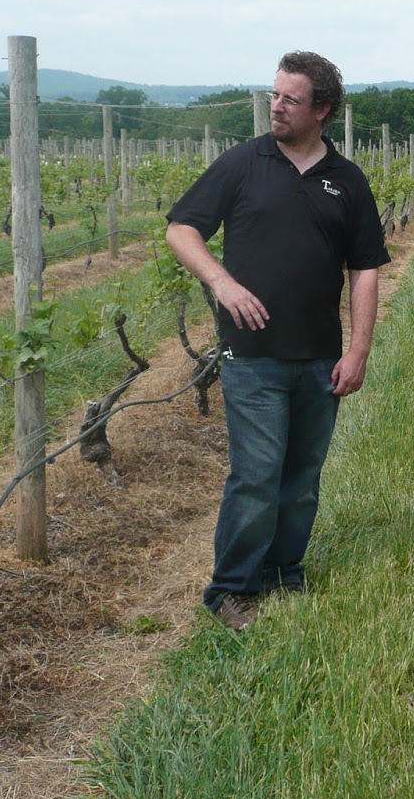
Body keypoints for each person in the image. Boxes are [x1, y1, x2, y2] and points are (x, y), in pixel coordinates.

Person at [164, 51, 389, 629]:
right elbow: (181, 228)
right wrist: (221, 282)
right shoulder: (243, 163)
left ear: (323, 110)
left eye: (290, 99)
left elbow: (364, 269)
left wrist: (359, 348)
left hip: (320, 356)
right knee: (257, 474)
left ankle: (284, 573)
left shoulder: (347, 180)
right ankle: (231, 590)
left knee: (302, 477)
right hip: (252, 355)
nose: (277, 107)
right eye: (274, 95)